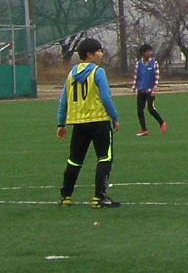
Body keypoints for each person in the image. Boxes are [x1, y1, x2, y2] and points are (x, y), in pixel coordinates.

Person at [55, 38, 121, 208]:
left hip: (78, 123)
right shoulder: (98, 72)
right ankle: (99, 197)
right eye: (99, 51)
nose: (101, 54)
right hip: (99, 121)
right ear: (89, 54)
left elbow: (63, 101)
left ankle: (66, 196)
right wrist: (114, 117)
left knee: (75, 160)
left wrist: (61, 123)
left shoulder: (72, 74)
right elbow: (106, 98)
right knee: (104, 157)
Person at [133, 44, 166, 136]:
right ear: (143, 53)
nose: (150, 53)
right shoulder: (138, 64)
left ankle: (162, 122)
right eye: (148, 51)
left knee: (150, 109)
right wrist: (133, 90)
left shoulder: (154, 63)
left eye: (150, 51)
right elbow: (136, 77)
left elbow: (156, 77)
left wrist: (154, 89)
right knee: (140, 110)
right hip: (141, 90)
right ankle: (144, 130)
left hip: (150, 91)